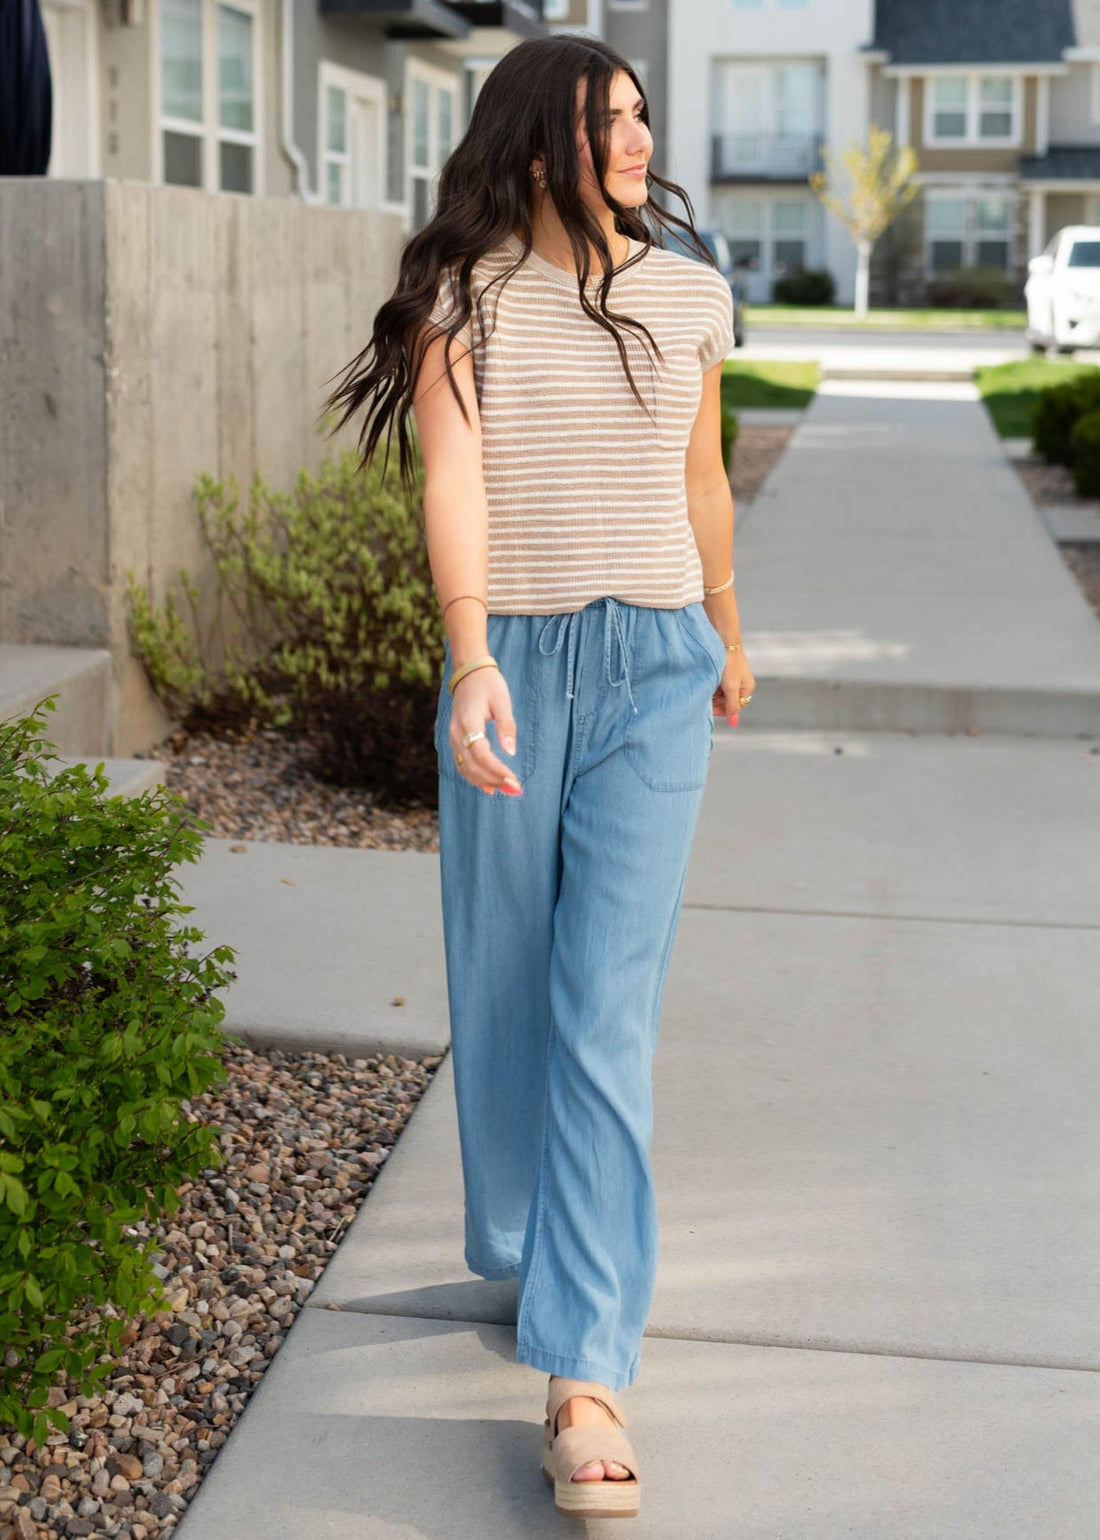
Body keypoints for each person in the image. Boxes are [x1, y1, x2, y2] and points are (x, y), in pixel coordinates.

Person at [323, 33, 755, 1520]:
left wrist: (726, 631)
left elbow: (700, 479)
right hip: (517, 654)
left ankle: (583, 1377)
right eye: (605, 119)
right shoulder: (464, 298)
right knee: (507, 986)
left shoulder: (693, 288)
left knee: (602, 1012)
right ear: (533, 143)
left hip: (654, 673)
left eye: (643, 114)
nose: (637, 140)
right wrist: (470, 660)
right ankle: (536, 1247)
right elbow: (455, 479)